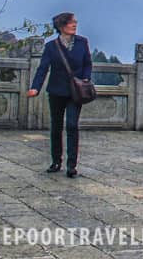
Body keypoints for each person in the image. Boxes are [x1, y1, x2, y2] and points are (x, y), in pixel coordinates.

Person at [27, 12, 92, 178]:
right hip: (56, 90)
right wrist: (36, 87)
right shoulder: (51, 46)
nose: (74, 25)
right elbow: (43, 68)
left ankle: (72, 165)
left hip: (75, 92)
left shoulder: (82, 42)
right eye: (71, 23)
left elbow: (87, 64)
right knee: (56, 126)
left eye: (75, 22)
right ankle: (56, 161)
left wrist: (85, 78)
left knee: (71, 125)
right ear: (62, 26)